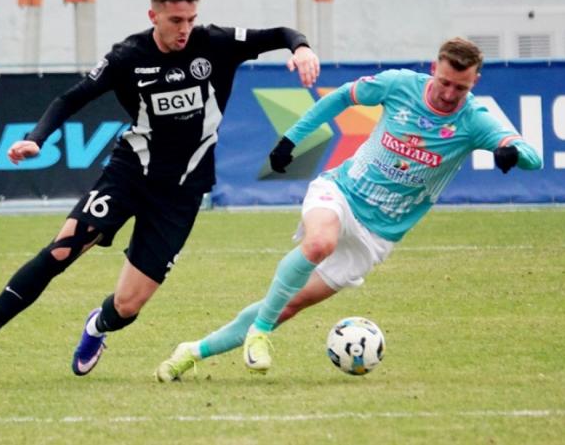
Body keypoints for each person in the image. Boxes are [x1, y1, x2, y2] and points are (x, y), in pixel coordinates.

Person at [0, 0, 320, 375]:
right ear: (153, 16)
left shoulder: (215, 42)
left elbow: (281, 33)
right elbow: (71, 99)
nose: (185, 29)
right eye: (175, 20)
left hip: (182, 193)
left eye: (190, 19)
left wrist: (302, 48)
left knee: (127, 306)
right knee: (62, 249)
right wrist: (36, 139)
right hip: (130, 174)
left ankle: (96, 326)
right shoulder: (127, 57)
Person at [155, 36, 542, 381]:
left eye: (460, 87)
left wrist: (511, 152)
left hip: (376, 235)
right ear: (433, 70)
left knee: (286, 306)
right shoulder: (400, 85)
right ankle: (259, 333)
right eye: (444, 82)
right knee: (318, 243)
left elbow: (531, 157)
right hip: (341, 192)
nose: (448, 93)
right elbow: (342, 97)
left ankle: (193, 351)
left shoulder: (474, 120)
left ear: (475, 82)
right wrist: (292, 139)